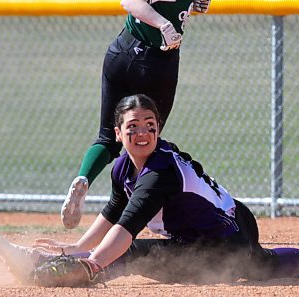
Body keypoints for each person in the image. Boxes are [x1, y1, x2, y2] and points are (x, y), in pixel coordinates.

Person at [0, 94, 299, 287]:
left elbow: (125, 232)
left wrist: (91, 263)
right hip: (234, 222)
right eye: (133, 126)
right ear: (118, 132)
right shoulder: (125, 166)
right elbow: (112, 213)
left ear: (158, 128)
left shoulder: (159, 172)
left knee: (130, 254)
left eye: (149, 124)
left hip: (216, 244)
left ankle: (42, 272)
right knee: (263, 264)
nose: (142, 132)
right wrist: (72, 249)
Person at [61, 0, 212, 229]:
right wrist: (163, 24)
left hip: (120, 52)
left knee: (108, 137)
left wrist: (191, 7)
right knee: (147, 139)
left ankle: (84, 178)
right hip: (154, 64)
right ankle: (138, 210)